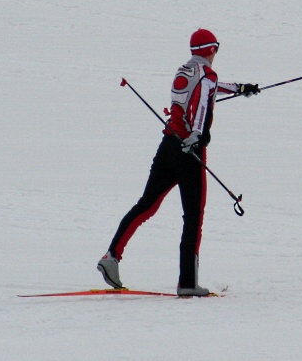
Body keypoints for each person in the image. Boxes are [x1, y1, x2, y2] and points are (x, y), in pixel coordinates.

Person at [97, 28, 259, 297]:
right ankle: (188, 283)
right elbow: (201, 107)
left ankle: (111, 256)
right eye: (216, 47)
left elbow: (206, 91)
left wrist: (241, 89)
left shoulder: (185, 70)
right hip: (189, 152)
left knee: (146, 205)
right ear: (211, 50)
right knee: (193, 217)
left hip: (167, 146)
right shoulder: (207, 75)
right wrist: (198, 135)